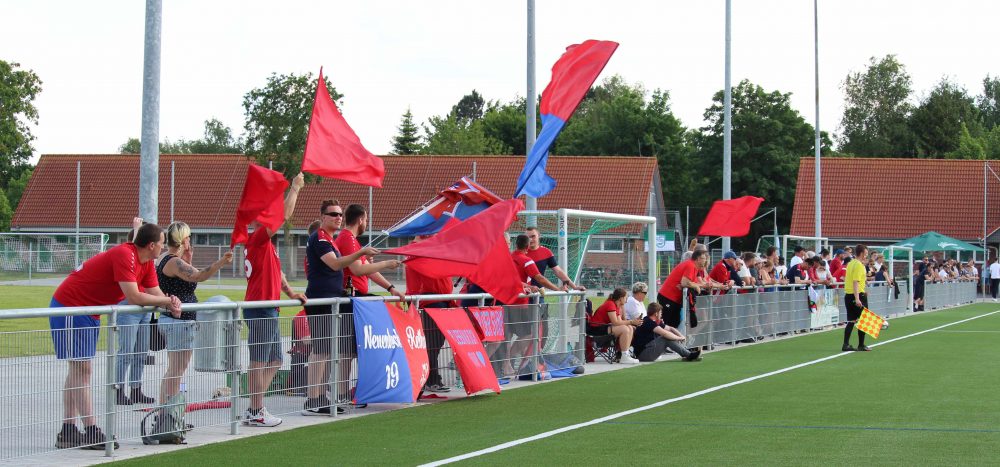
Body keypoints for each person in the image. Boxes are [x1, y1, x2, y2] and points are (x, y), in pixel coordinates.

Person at [50, 223, 181, 450]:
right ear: (151, 245)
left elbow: (155, 293)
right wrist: (167, 302)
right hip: (72, 306)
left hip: (88, 311)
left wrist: (171, 302)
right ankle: (91, 430)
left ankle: (68, 430)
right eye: (162, 243)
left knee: (79, 370)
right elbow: (134, 296)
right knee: (82, 369)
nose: (163, 247)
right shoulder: (125, 254)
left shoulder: (146, 263)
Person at [302, 200, 382, 415]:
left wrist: (361, 255)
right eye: (333, 214)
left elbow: (341, 263)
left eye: (339, 214)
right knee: (320, 351)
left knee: (326, 351)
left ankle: (320, 396)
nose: (338, 217)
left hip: (331, 299)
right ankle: (313, 400)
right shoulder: (320, 238)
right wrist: (360, 253)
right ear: (323, 217)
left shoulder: (330, 239)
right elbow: (335, 264)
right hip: (321, 299)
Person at [242, 172, 308, 428]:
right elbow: (284, 216)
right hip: (261, 307)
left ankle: (255, 405)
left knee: (276, 360)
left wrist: (291, 293)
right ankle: (255, 409)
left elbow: (277, 273)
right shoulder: (258, 238)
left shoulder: (265, 244)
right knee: (259, 361)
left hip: (269, 307)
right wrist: (295, 188)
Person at [156, 222, 234, 406]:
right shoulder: (173, 261)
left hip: (177, 320)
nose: (190, 240)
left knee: (175, 370)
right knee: (176, 371)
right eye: (188, 237)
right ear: (184, 239)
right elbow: (199, 276)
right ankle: (167, 412)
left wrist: (188, 258)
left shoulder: (168, 258)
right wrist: (222, 262)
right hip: (178, 322)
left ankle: (167, 410)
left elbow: (186, 281)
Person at [333, 203, 404, 407]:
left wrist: (390, 288)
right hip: (352, 300)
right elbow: (358, 269)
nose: (366, 223)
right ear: (361, 219)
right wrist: (386, 264)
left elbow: (367, 269)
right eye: (366, 219)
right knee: (348, 351)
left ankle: (352, 390)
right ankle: (342, 393)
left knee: (356, 349)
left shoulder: (352, 241)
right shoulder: (347, 239)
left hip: (360, 300)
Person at [113, 217, 156, 406]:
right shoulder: (128, 257)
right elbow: (132, 247)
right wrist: (137, 229)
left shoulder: (147, 262)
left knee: (141, 351)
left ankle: (136, 388)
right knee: (126, 351)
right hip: (129, 308)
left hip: (144, 309)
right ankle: (118, 389)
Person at [405, 233, 455, 395]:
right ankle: (431, 379)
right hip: (430, 301)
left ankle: (430, 378)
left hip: (435, 300)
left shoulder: (423, 249)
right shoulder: (420, 250)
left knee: (433, 343)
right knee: (432, 343)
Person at [632, 303, 701, 362]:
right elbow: (665, 334)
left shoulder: (653, 321)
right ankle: (689, 355)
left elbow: (671, 328)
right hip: (643, 355)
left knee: (667, 337)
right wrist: (679, 338)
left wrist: (681, 336)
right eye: (660, 313)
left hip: (646, 351)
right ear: (656, 314)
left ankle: (687, 354)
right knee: (665, 338)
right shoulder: (648, 321)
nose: (661, 315)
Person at [524, 227, 586, 291]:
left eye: (533, 236)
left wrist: (574, 287)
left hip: (539, 292)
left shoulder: (546, 252)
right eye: (528, 237)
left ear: (539, 236)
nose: (530, 239)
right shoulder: (521, 253)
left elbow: (558, 271)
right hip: (523, 293)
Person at [588, 288, 640, 363]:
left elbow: (620, 321)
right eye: (626, 297)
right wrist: (631, 321)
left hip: (603, 327)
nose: (626, 300)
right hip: (596, 329)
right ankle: (624, 356)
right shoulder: (610, 304)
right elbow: (615, 322)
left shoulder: (616, 305)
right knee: (624, 329)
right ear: (621, 298)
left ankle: (624, 354)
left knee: (630, 327)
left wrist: (631, 322)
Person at [657, 250, 708, 328]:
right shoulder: (690, 265)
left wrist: (696, 285)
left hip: (674, 299)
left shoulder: (693, 266)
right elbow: (685, 282)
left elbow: (687, 283)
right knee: (666, 324)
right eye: (704, 258)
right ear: (698, 259)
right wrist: (695, 286)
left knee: (674, 324)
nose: (705, 260)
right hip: (668, 297)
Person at [843, 244, 871, 352]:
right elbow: (855, 281)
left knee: (851, 320)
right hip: (857, 295)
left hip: (848, 295)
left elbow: (855, 280)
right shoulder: (859, 265)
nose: (866, 255)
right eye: (866, 253)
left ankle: (846, 344)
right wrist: (858, 298)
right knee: (864, 320)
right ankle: (861, 344)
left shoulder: (851, 263)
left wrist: (863, 289)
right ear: (862, 253)